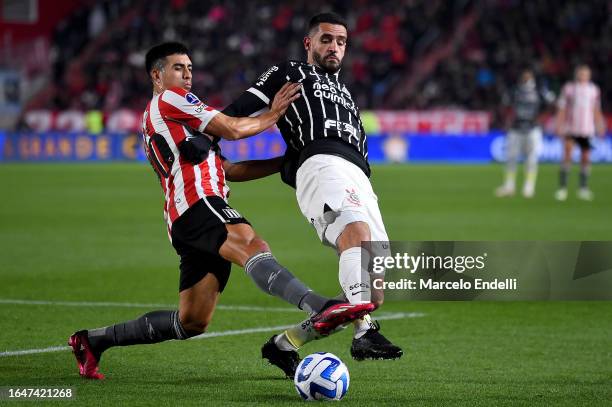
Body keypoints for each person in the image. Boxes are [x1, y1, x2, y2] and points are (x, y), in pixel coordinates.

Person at [68, 42, 375, 380]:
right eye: (177, 68)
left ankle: (93, 341)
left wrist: (285, 162)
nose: (187, 74)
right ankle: (320, 306)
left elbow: (228, 169)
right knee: (252, 245)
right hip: (198, 204)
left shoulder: (177, 121)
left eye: (189, 68)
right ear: (157, 75)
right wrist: (273, 114)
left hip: (185, 216)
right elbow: (231, 128)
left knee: (192, 321)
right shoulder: (171, 100)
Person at [223, 13, 402, 378]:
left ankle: (285, 344)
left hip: (358, 177)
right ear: (309, 43)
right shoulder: (288, 72)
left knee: (372, 295)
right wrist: (203, 141)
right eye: (326, 39)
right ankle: (364, 334)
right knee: (355, 235)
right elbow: (233, 114)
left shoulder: (347, 93)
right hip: (321, 165)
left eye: (340, 41)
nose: (334, 46)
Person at [495, 68, 554, 198]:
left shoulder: (539, 91)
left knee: (531, 159)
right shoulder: (514, 91)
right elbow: (504, 106)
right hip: (516, 128)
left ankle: (529, 187)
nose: (526, 78)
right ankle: (509, 186)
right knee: (511, 158)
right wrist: (507, 121)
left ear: (532, 77)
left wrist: (542, 119)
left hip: (533, 129)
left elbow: (552, 104)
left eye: (528, 76)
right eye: (525, 76)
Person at [555, 65, 606, 201]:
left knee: (585, 158)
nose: (583, 76)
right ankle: (563, 188)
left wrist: (600, 125)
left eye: (586, 74)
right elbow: (562, 108)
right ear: (577, 74)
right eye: (581, 73)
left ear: (589, 75)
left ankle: (583, 188)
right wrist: (558, 124)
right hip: (570, 128)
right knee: (567, 155)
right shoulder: (569, 88)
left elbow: (596, 110)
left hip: (586, 129)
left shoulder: (594, 90)